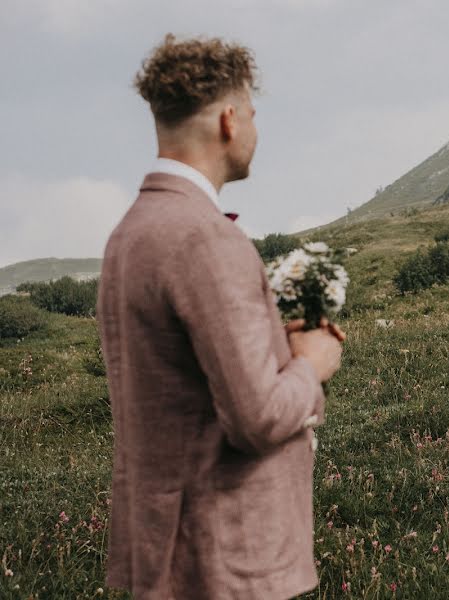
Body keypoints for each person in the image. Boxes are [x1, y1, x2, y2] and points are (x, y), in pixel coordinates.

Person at [96, 34, 344, 599]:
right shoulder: (205, 238)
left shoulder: (128, 235)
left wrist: (269, 344)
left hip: (164, 550)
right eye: (253, 114)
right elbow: (256, 419)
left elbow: (180, 376)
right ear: (230, 120)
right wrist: (311, 364)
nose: (256, 129)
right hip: (226, 559)